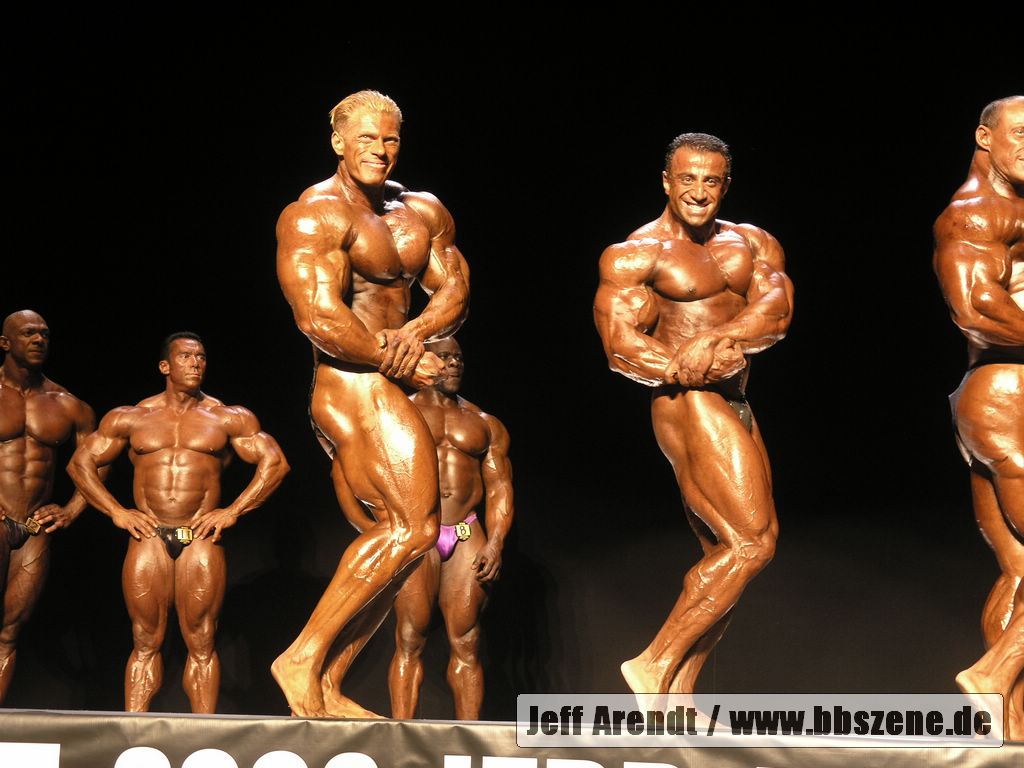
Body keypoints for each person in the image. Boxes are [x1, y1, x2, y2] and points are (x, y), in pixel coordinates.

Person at [273, 89, 469, 718]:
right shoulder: (313, 215)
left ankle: (328, 681)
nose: (379, 150)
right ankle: (301, 659)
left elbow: (455, 290)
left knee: (406, 539)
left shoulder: (421, 211)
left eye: (390, 140)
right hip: (347, 381)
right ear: (337, 141)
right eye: (366, 138)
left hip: (389, 374)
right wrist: (394, 357)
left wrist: (414, 334)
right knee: (413, 528)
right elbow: (317, 316)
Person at [594, 133, 793, 697]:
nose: (699, 192)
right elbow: (619, 345)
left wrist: (721, 338)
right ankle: (653, 664)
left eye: (711, 181)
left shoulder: (753, 243)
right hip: (685, 402)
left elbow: (777, 312)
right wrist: (685, 367)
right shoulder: (637, 253)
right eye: (688, 179)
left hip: (735, 399)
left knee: (729, 552)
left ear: (725, 185)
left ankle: (676, 694)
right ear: (667, 181)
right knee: (752, 543)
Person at [69, 332, 288, 713]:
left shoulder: (227, 416)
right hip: (149, 535)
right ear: (165, 366)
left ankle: (204, 735)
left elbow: (276, 463)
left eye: (201, 356)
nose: (196, 363)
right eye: (185, 356)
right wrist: (116, 511)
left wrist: (233, 510)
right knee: (144, 640)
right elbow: (80, 464)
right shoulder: (132, 416)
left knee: (202, 641)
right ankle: (134, 733)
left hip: (200, 536)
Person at [934, 95, 1024, 740]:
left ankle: (1009, 729)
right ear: (984, 138)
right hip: (1007, 395)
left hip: (992, 399)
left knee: (1019, 570)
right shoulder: (975, 212)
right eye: (1021, 133)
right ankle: (995, 674)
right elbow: (973, 307)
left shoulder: (1012, 210)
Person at [386, 337, 513, 720]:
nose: (454, 364)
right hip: (418, 532)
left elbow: (500, 487)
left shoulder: (483, 423)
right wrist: (374, 527)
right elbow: (358, 470)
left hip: (466, 532)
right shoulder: (397, 412)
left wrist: (496, 543)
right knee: (410, 638)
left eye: (458, 357)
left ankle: (468, 739)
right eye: (444, 357)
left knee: (468, 640)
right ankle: (401, 735)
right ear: (423, 361)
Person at [0, 309, 96, 704]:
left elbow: (96, 464)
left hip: (34, 529)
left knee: (10, 631)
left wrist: (72, 509)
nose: (39, 340)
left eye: (44, 334)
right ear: (5, 343)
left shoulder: (68, 404)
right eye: (28, 333)